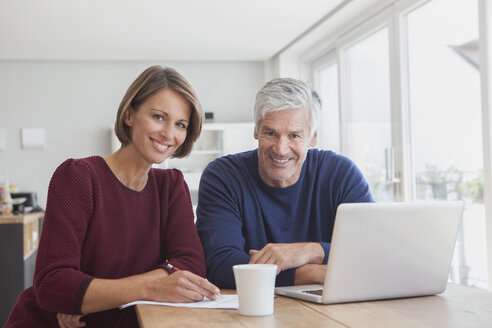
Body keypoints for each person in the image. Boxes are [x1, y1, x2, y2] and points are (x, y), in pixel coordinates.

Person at [6, 66, 220, 328]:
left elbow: (191, 264)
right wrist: (154, 287)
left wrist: (92, 297)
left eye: (180, 124)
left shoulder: (171, 187)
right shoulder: (77, 178)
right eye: (158, 117)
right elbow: (53, 284)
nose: (169, 133)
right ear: (129, 115)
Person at [196, 78, 374, 289]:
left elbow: (371, 249)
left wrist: (310, 251)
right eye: (270, 133)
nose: (281, 149)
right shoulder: (223, 176)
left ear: (313, 137)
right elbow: (221, 265)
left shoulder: (340, 173)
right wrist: (315, 272)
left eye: (294, 135)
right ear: (256, 131)